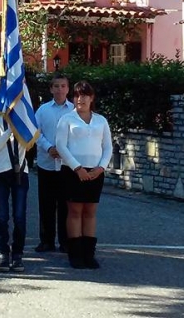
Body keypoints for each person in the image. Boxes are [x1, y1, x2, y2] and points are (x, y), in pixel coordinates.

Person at [55, 81, 112, 269]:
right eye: (78, 95)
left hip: (95, 173)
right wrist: (77, 168)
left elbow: (107, 147)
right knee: (75, 211)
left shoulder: (101, 120)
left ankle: (89, 254)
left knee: (90, 212)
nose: (81, 99)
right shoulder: (66, 119)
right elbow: (61, 146)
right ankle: (75, 254)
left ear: (92, 98)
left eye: (85, 95)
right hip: (73, 172)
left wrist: (100, 168)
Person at [34, 73, 73, 253]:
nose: (59, 89)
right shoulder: (42, 110)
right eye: (56, 86)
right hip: (47, 163)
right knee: (46, 204)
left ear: (68, 88)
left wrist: (65, 151)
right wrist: (49, 148)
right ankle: (46, 240)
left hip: (67, 165)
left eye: (63, 86)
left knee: (65, 204)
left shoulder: (74, 110)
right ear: (51, 89)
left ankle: (65, 241)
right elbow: (36, 133)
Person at [0, 99, 29, 273]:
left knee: (19, 216)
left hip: (21, 171)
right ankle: (3, 252)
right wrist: (9, 131)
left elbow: (30, 143)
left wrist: (19, 126)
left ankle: (18, 253)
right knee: (1, 215)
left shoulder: (26, 121)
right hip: (0, 171)